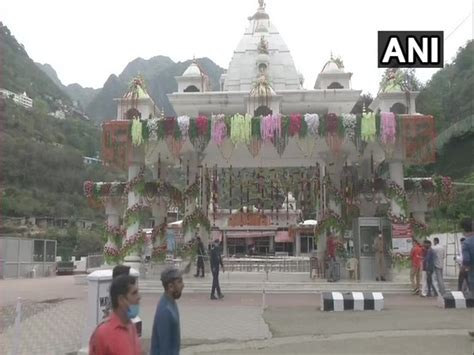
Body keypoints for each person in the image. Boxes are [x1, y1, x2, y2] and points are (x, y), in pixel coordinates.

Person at [89, 275, 141, 355]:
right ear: (121, 300)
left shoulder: (131, 326)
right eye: (134, 293)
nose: (139, 297)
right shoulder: (103, 334)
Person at [150, 266, 185, 355]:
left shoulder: (171, 303)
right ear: (170, 287)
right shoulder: (165, 311)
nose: (183, 285)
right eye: (179, 282)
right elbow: (164, 348)